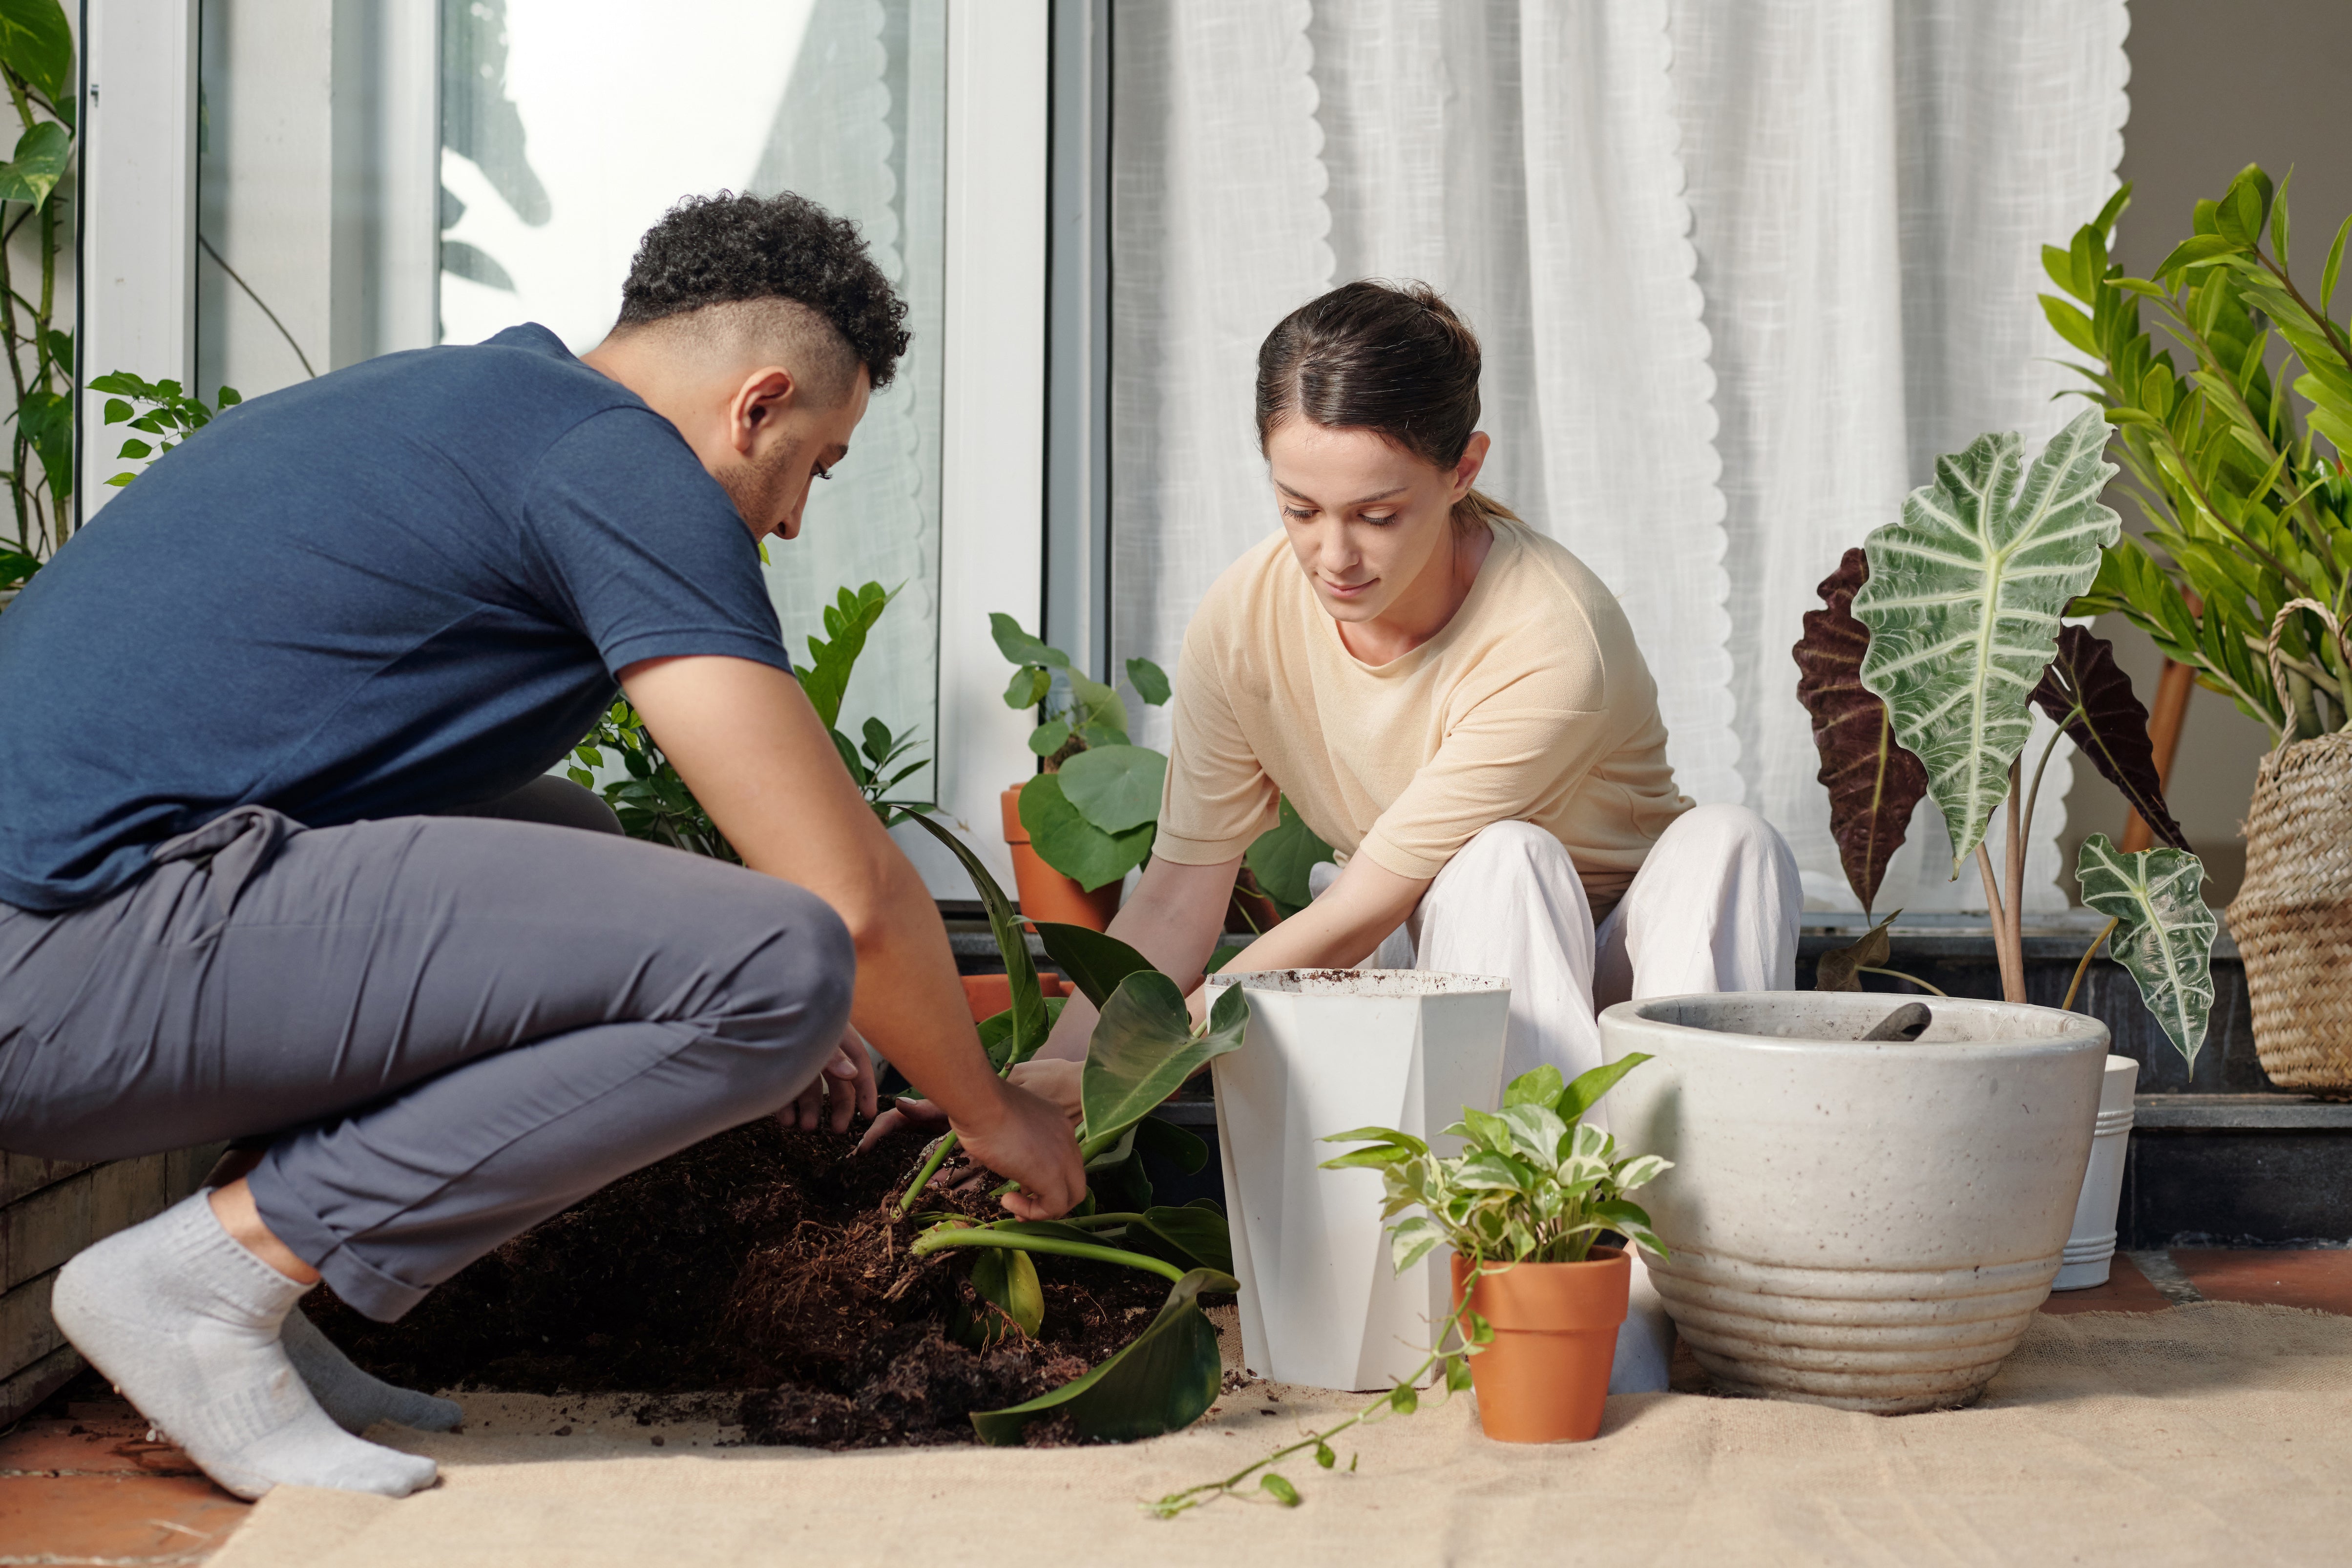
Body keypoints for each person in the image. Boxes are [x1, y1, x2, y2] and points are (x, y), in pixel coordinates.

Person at [0, 191, 1084, 1502]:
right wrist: (991, 1110)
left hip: (79, 929)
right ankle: (203, 1279)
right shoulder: (620, 468)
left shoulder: (484, 402)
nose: (795, 519)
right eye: (816, 461)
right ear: (758, 403)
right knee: (786, 959)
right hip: (60, 958)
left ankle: (266, 1302)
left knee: (580, 835)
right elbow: (845, 901)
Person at [1007, 280, 1801, 1389]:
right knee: (1494, 866)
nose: (1333, 554)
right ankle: (1528, 1294)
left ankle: (1695, 1301)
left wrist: (1145, 1062)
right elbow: (1183, 891)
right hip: (1431, 974)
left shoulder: (1548, 631)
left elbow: (1359, 905)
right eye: (1298, 509)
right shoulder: (1243, 620)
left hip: (1616, 961)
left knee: (1723, 842)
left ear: (1462, 470)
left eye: (1376, 514)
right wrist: (1052, 1074)